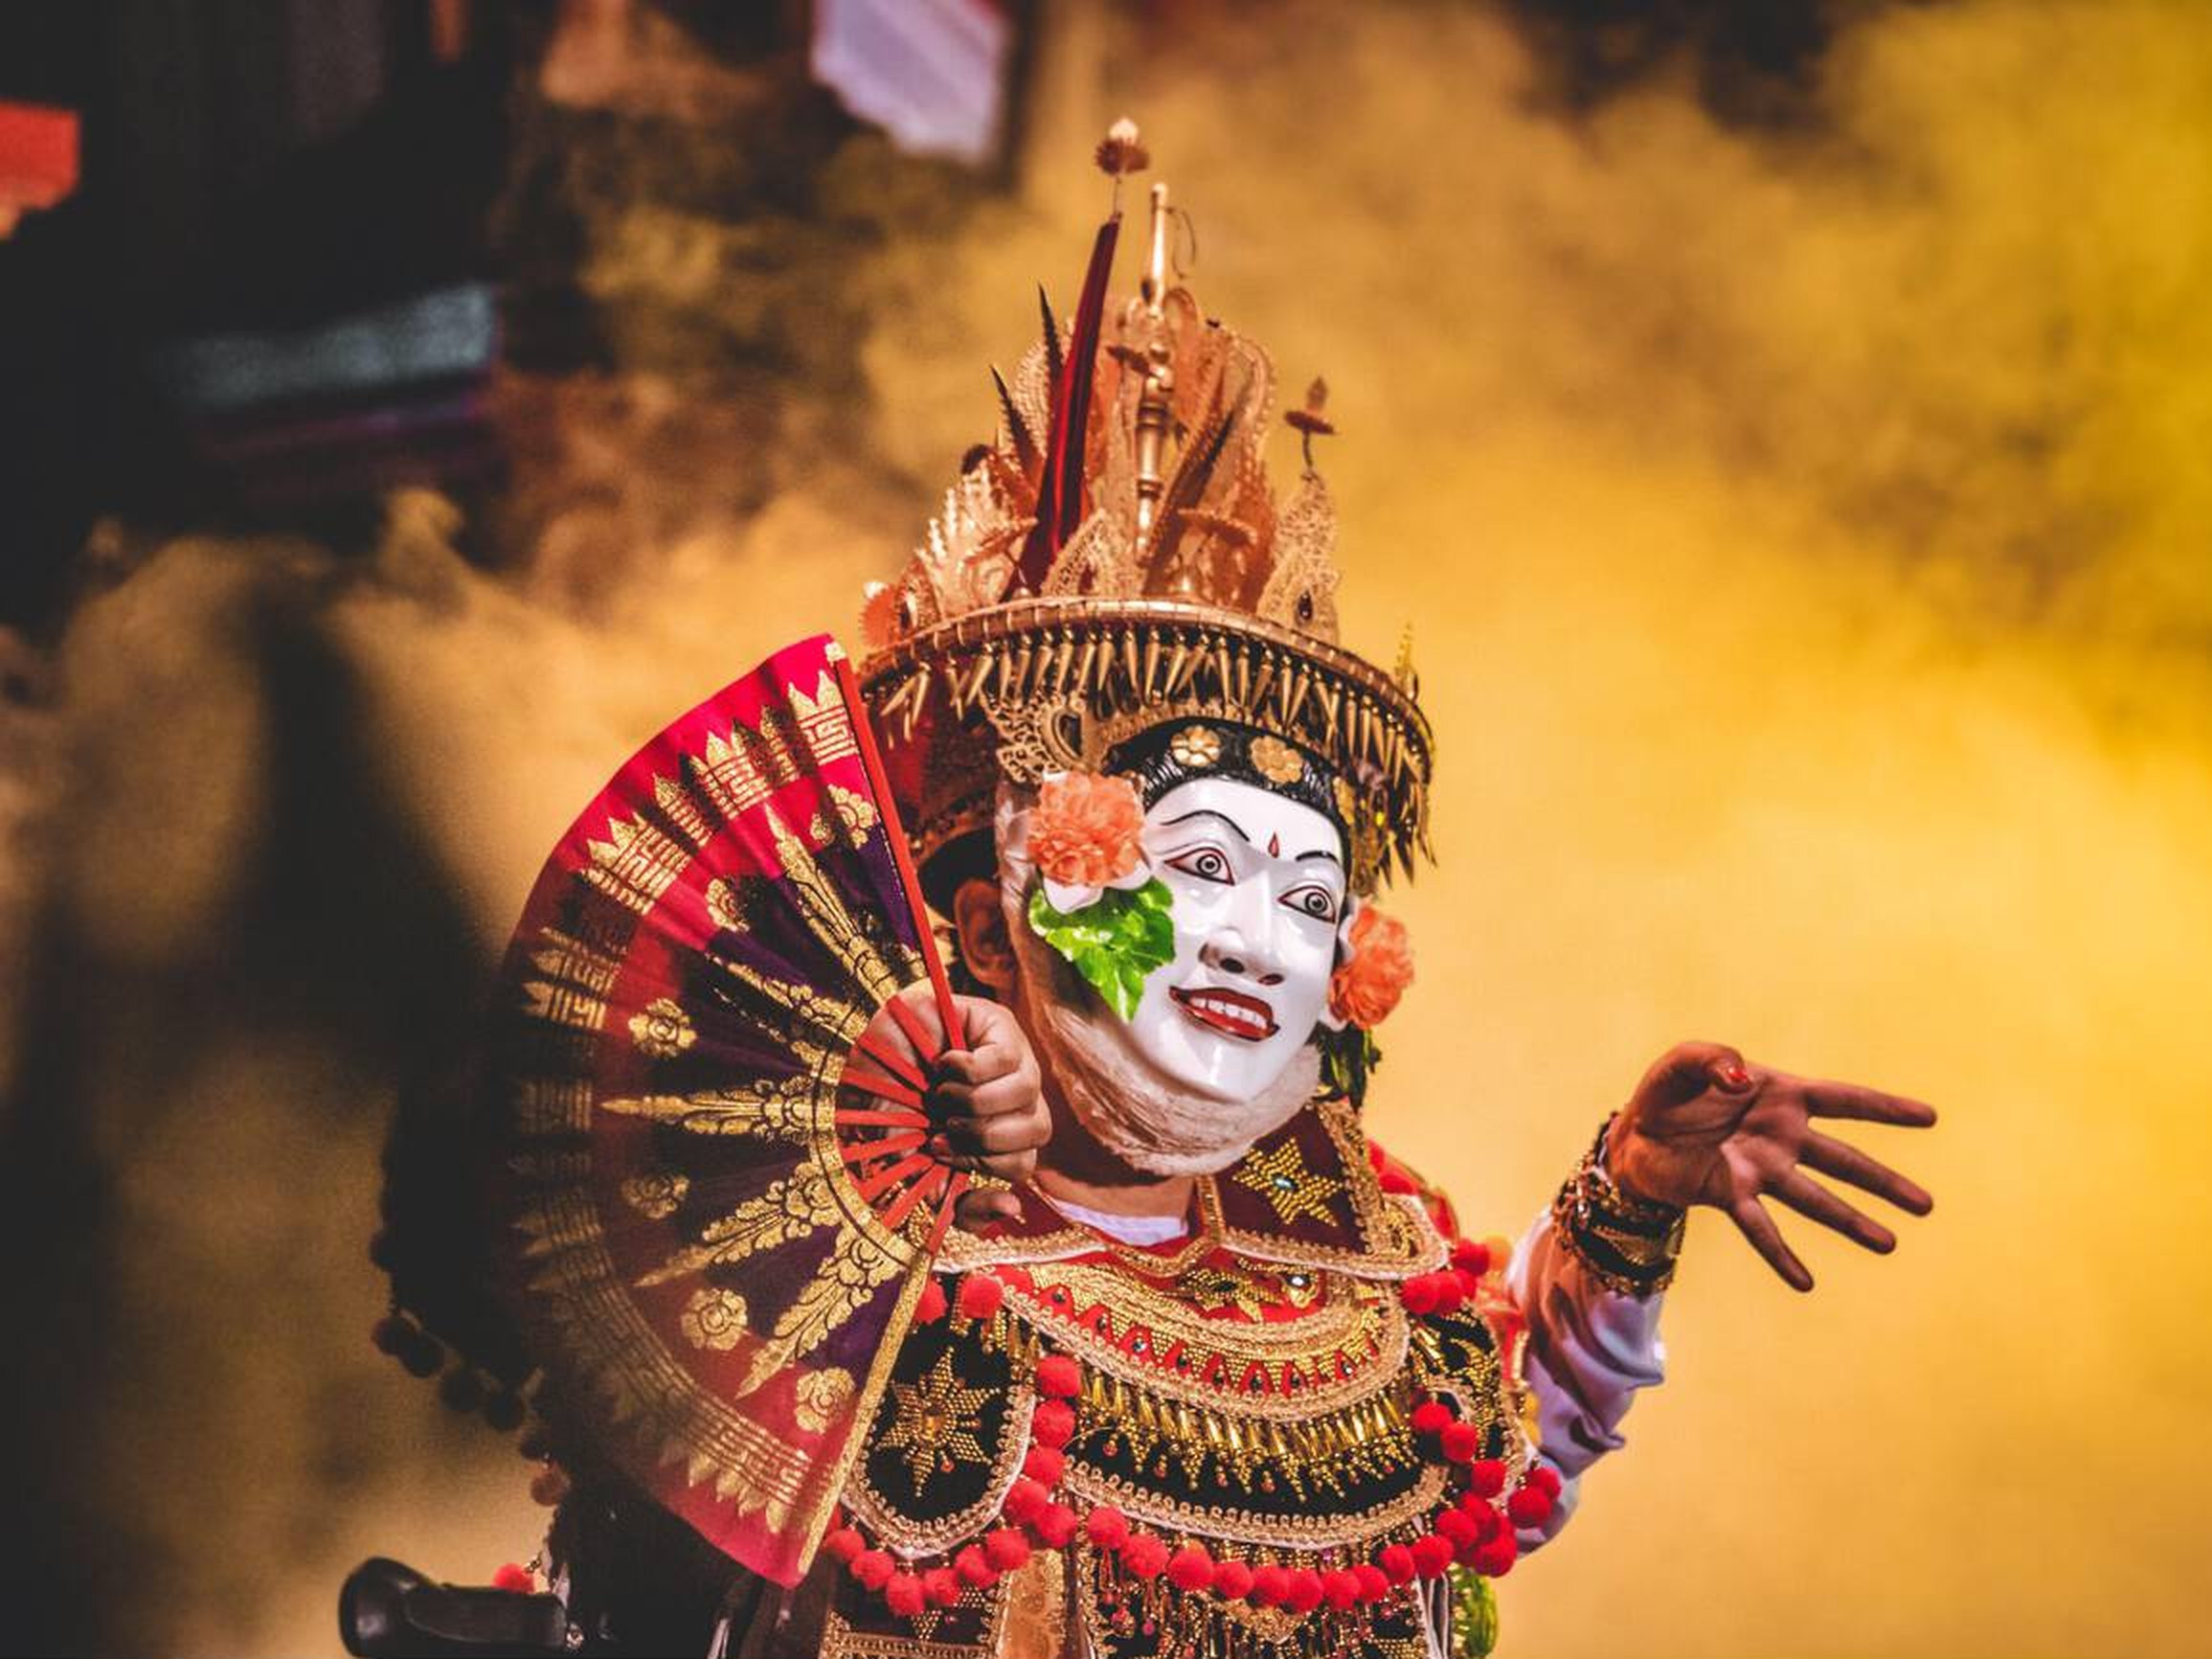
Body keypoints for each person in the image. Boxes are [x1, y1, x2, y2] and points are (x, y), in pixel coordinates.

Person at [357, 133, 1933, 1659]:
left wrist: (1634, 1197)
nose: (1259, 935)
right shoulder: (852, 1251)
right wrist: (873, 1108)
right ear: (990, 932)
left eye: (1313, 896)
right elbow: (532, 1178)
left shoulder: (1356, 1294)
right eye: (1196, 869)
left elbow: (1505, 1458)